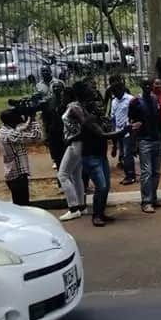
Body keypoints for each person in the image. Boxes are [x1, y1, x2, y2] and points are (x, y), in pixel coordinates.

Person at [81, 106, 125, 227]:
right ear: (92, 109)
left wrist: (115, 144)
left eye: (101, 106)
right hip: (91, 158)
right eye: (98, 107)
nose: (101, 108)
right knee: (101, 186)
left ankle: (101, 213)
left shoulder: (102, 120)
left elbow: (110, 132)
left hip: (101, 157)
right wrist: (124, 131)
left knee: (106, 186)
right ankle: (96, 215)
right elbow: (103, 135)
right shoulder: (90, 121)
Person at [128, 78, 161, 213]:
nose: (148, 87)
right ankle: (146, 201)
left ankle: (153, 197)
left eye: (150, 85)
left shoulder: (156, 100)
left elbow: (160, 120)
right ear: (141, 86)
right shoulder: (135, 102)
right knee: (147, 172)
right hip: (144, 141)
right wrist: (133, 143)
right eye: (145, 85)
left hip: (157, 139)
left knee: (156, 172)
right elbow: (131, 124)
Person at [57, 83, 91, 221]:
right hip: (77, 143)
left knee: (63, 175)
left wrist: (72, 137)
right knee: (76, 175)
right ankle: (81, 206)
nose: (61, 99)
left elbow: (85, 125)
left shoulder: (73, 107)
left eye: (63, 96)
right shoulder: (78, 106)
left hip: (75, 144)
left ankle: (73, 208)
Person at [0, 109, 42, 207]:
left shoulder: (4, 130)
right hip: (18, 176)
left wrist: (29, 119)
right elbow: (35, 137)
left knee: (20, 204)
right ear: (12, 121)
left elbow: (22, 128)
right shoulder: (10, 134)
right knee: (23, 205)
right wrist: (34, 119)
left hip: (13, 174)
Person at [110, 79, 136, 185]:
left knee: (127, 154)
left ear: (121, 90)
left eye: (116, 91)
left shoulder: (130, 99)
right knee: (122, 155)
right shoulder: (114, 101)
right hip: (118, 131)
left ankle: (131, 175)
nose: (115, 94)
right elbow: (113, 117)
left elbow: (135, 114)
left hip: (128, 131)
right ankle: (127, 175)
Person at [41, 80, 67, 178]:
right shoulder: (48, 101)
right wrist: (46, 135)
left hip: (65, 133)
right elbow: (45, 120)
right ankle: (61, 181)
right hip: (54, 133)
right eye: (54, 87)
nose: (56, 89)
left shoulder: (67, 101)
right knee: (58, 158)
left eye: (58, 87)